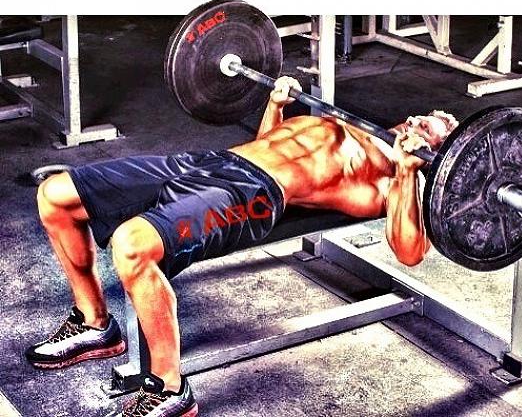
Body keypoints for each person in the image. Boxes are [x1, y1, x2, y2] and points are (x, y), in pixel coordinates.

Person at [26, 76, 458, 416]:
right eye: (419, 117)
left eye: (427, 131)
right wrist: (276, 106)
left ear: (433, 153)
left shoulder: (390, 178)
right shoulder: (347, 124)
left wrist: (407, 171)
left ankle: (169, 389)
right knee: (55, 195)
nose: (414, 123)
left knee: (131, 245)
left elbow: (410, 251)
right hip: (218, 161)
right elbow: (264, 145)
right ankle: (95, 324)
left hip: (251, 195)